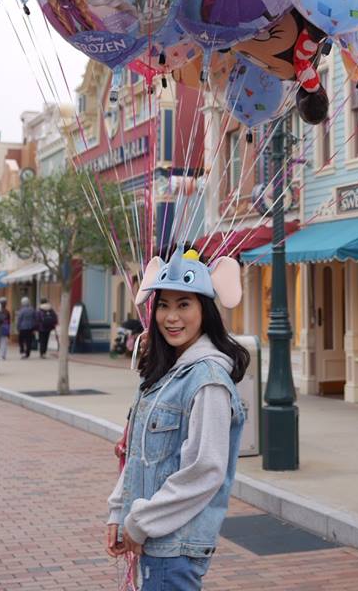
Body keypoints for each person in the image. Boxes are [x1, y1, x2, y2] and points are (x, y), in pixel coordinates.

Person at [106, 246, 248, 589]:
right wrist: (119, 512)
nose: (171, 317)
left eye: (184, 304)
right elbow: (140, 455)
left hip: (174, 548)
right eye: (164, 305)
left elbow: (205, 469)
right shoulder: (163, 375)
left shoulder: (208, 381)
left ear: (205, 310)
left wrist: (139, 522)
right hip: (154, 542)